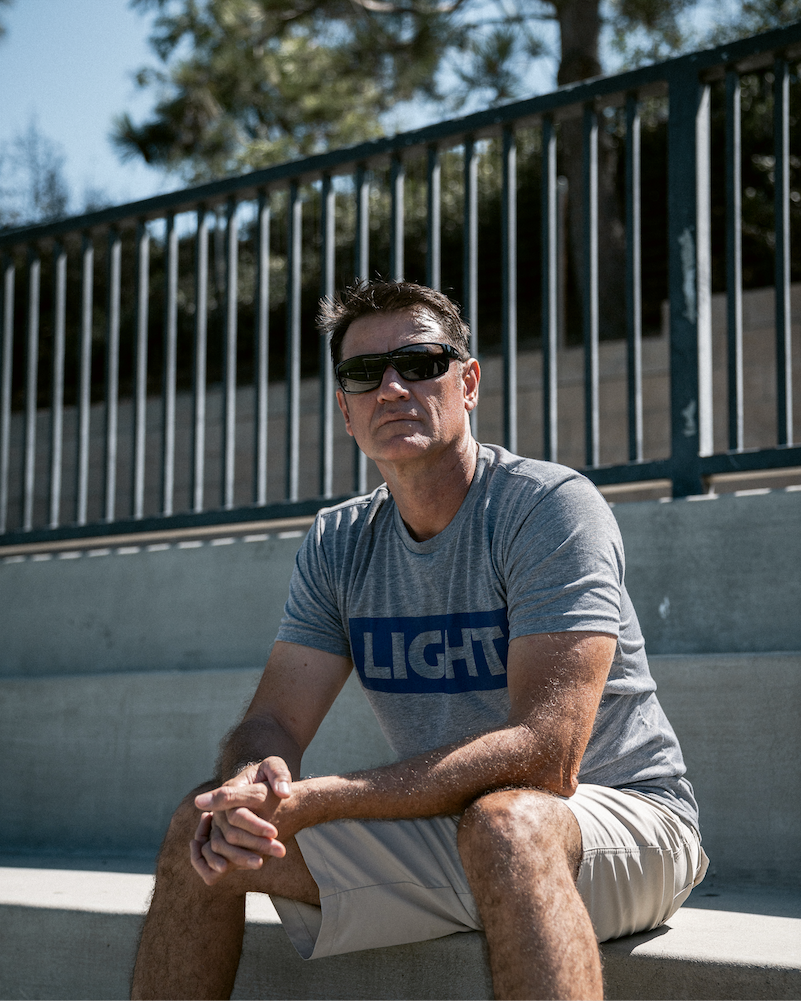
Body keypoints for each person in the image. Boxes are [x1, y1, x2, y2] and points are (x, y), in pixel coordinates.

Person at [131, 279, 707, 1001]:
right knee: (205, 827)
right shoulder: (339, 539)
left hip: (618, 822)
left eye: (421, 363)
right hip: (458, 830)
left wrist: (324, 797)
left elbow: (547, 753)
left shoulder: (548, 507)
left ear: (466, 383)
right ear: (345, 409)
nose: (393, 387)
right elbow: (273, 718)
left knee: (508, 823)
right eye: (364, 374)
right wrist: (253, 775)